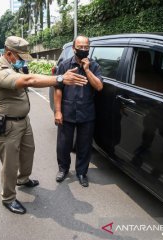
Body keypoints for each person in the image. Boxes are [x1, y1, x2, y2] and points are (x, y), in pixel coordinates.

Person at [0, 36, 88, 215]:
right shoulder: (0, 71)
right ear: (9, 54)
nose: (22, 62)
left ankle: (23, 179)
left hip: (23, 121)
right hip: (9, 125)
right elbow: (29, 81)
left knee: (28, 152)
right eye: (20, 58)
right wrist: (59, 78)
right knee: (10, 163)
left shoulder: (13, 67)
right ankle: (8, 197)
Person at [54, 35, 103, 187]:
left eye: (86, 47)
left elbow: (99, 86)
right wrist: (57, 111)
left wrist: (87, 70)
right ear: (74, 48)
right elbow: (58, 89)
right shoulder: (65, 65)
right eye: (80, 47)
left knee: (84, 145)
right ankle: (63, 169)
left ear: (89, 48)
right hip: (67, 110)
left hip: (86, 112)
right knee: (64, 144)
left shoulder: (94, 66)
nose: (83, 49)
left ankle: (81, 172)